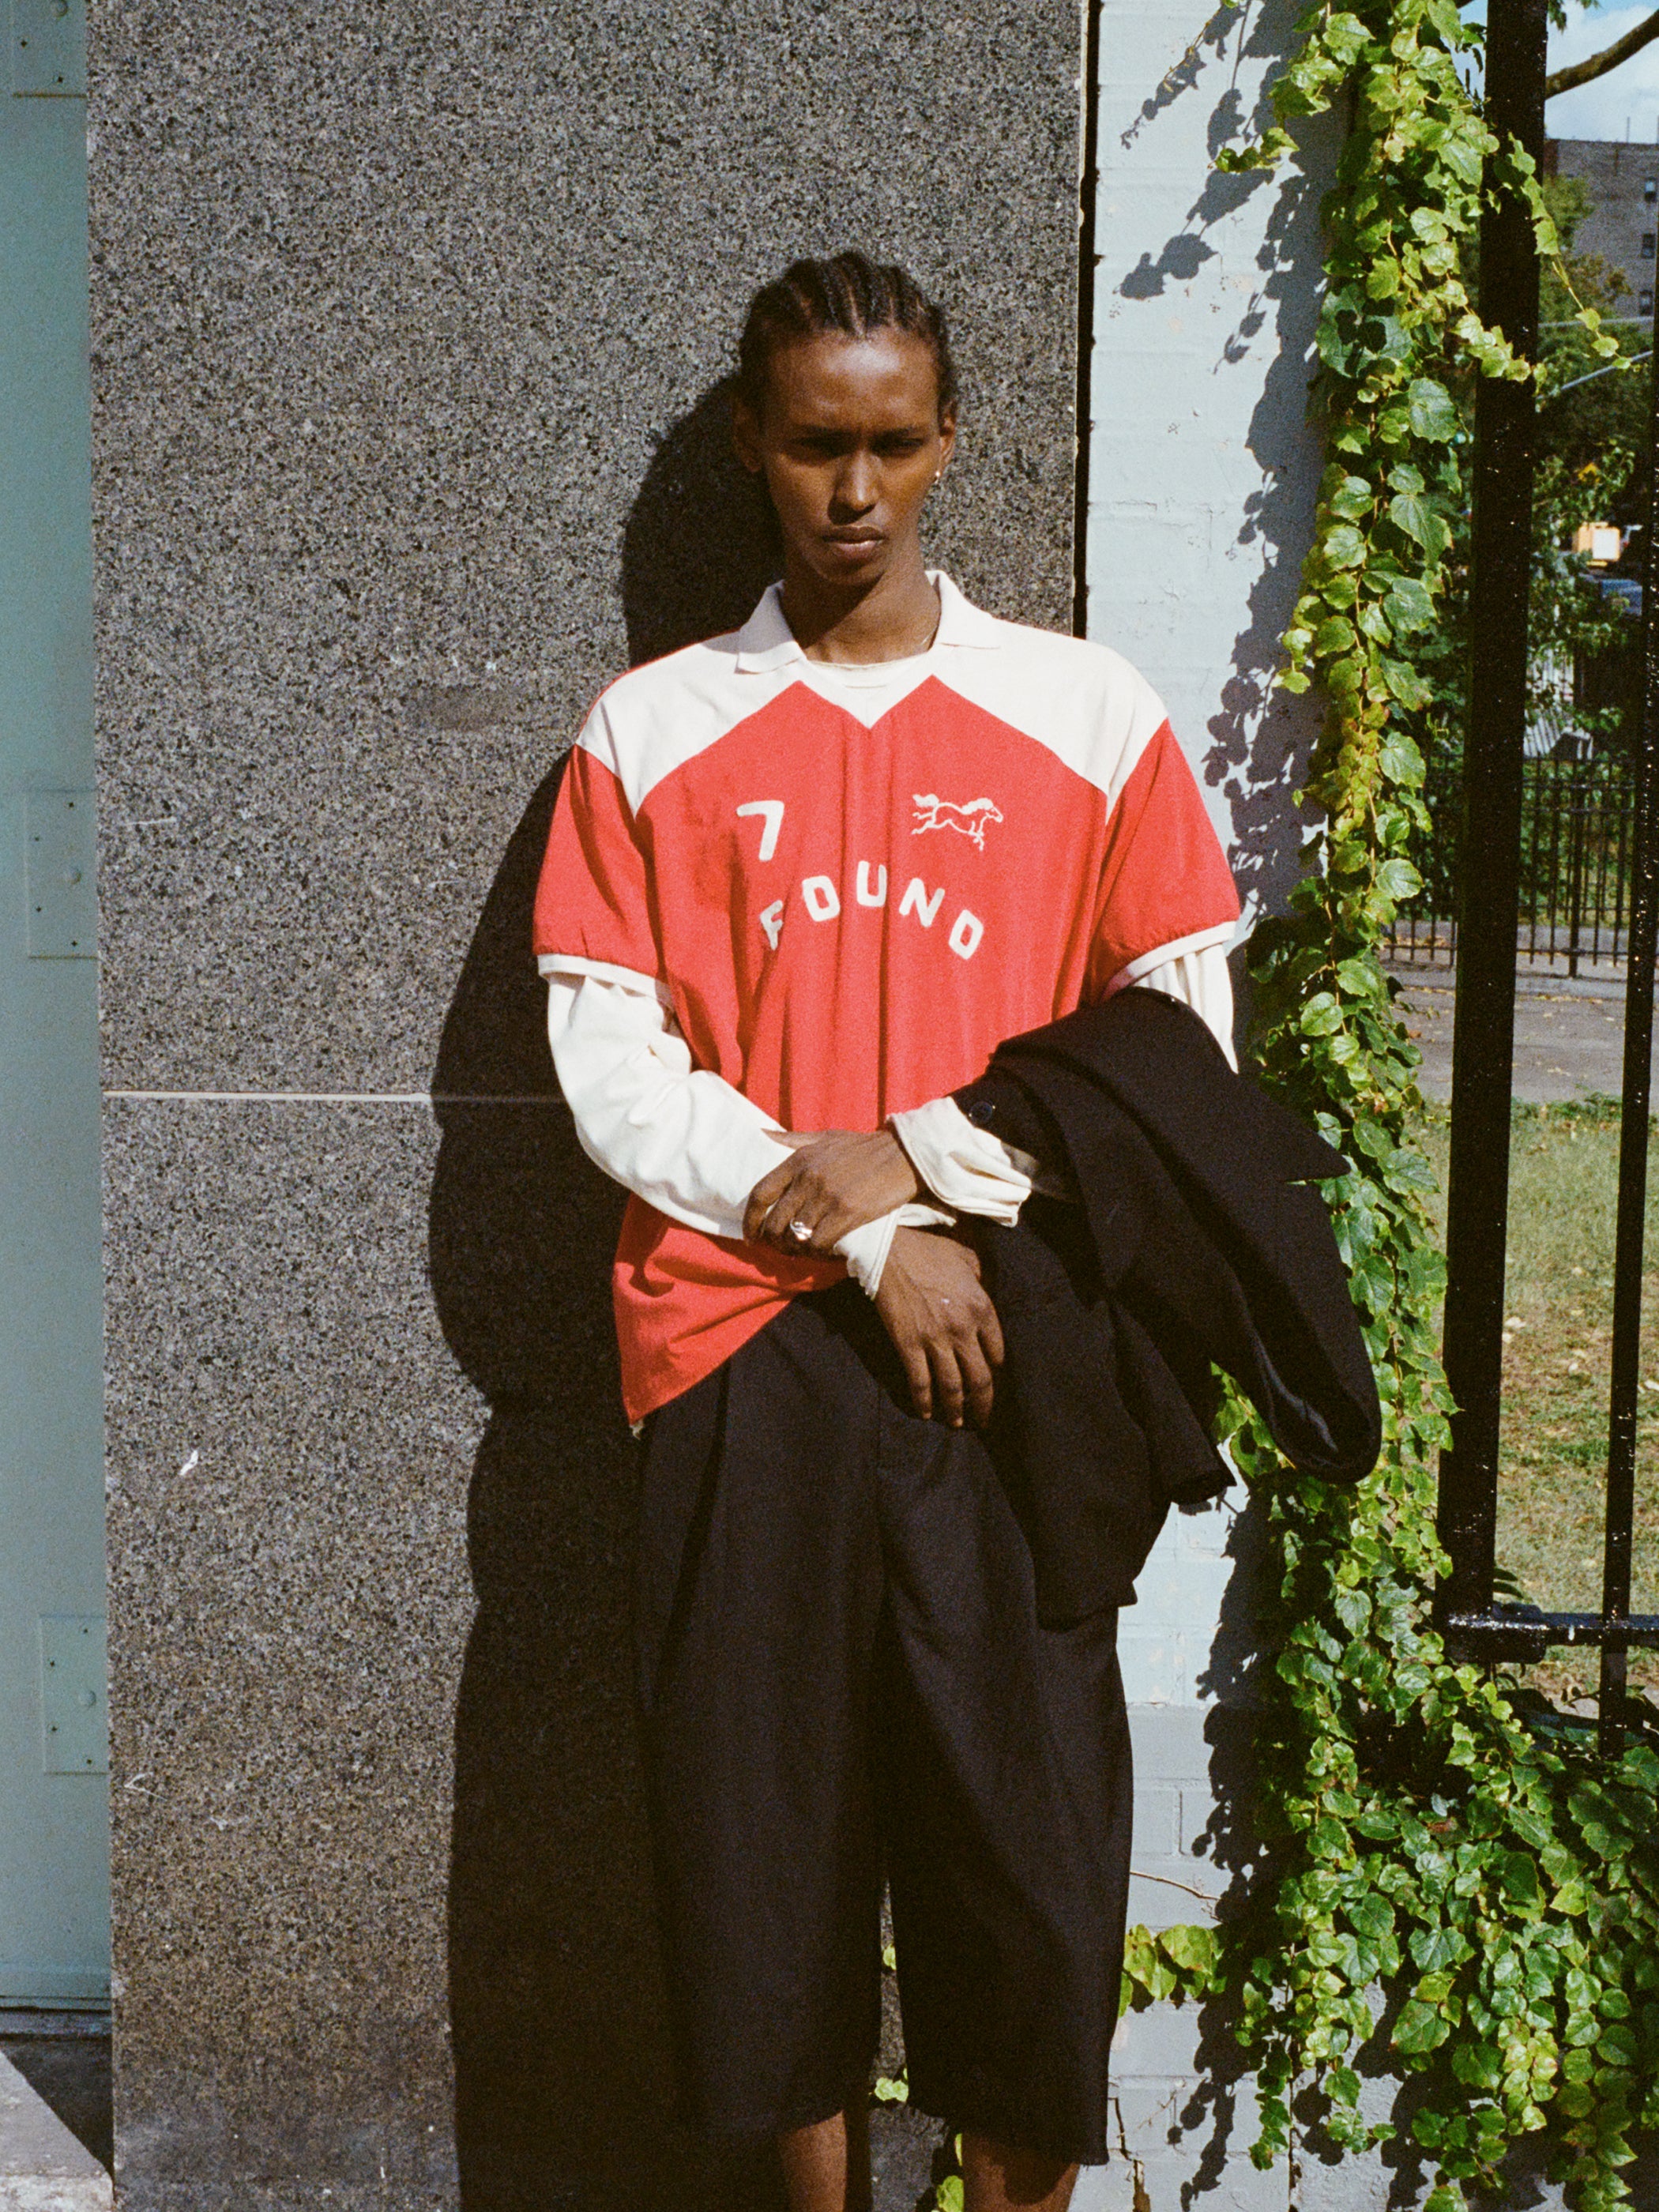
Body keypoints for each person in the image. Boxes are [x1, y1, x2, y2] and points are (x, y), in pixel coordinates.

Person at [532, 252, 1241, 2212]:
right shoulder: (656, 727)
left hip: (1006, 1359)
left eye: (895, 442)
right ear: (757, 447)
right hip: (742, 1359)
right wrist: (854, 1235)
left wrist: (923, 1164)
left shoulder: (1084, 713)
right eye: (819, 443)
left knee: (1029, 1872)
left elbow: (1178, 1038)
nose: (858, 488)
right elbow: (610, 1061)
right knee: (762, 1872)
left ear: (951, 442)